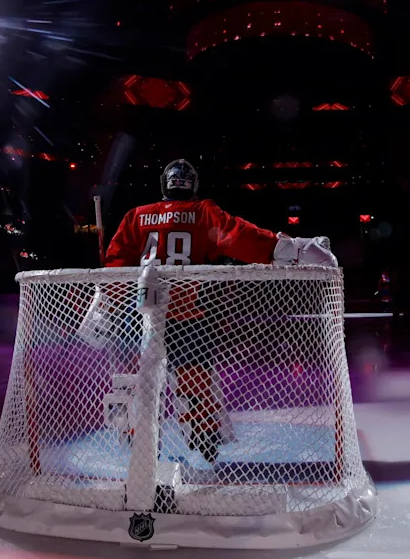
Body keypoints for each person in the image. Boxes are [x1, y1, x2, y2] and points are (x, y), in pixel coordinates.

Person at [99, 159, 335, 462]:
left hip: (142, 316)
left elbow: (116, 264)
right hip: (187, 315)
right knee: (194, 379)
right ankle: (205, 437)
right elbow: (238, 236)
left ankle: (136, 441)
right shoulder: (202, 212)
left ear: (165, 184)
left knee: (140, 384)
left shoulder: (136, 215)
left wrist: (114, 301)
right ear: (192, 185)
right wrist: (290, 249)